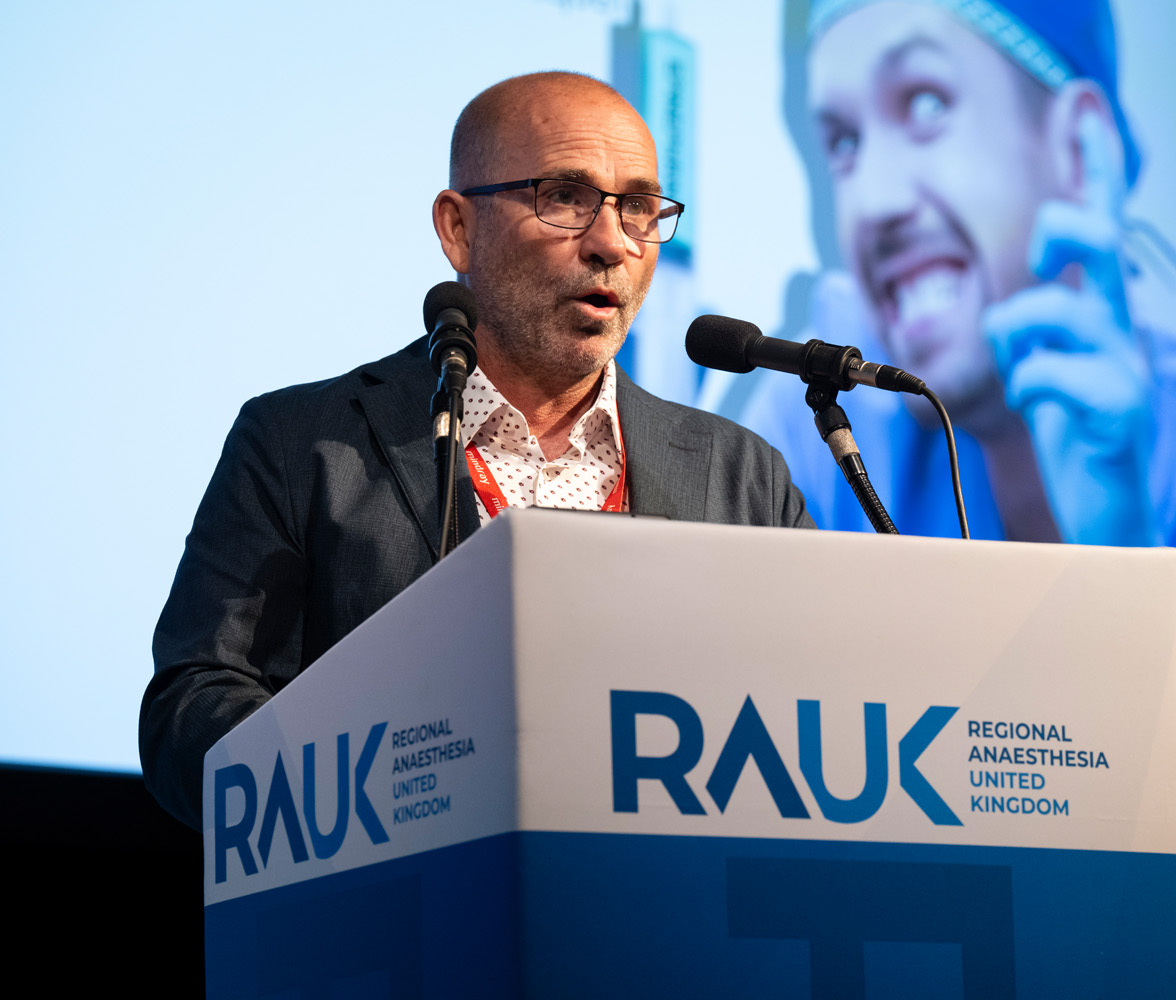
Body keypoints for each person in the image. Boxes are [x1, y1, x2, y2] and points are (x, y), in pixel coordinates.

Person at [737, 0, 1176, 867]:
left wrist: (1119, 558)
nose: (872, 201)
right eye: (844, 143)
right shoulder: (825, 422)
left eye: (926, 103)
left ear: (1078, 148)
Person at [140, 72, 814, 831]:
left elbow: (819, 710)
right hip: (403, 888)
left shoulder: (741, 475)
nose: (612, 244)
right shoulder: (303, 444)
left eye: (638, 207)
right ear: (458, 228)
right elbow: (192, 710)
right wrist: (391, 781)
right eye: (566, 197)